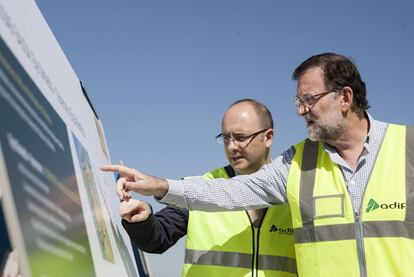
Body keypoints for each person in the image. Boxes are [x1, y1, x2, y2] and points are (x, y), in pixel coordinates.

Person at [102, 53, 414, 277]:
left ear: (345, 98)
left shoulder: (408, 147)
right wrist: (160, 186)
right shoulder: (298, 162)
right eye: (298, 102)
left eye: (310, 100)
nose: (301, 111)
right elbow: (231, 193)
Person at [119, 99, 297, 276]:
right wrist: (142, 221)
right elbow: (157, 238)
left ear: (268, 137)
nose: (232, 147)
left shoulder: (296, 190)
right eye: (226, 138)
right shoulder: (200, 187)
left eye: (241, 137)